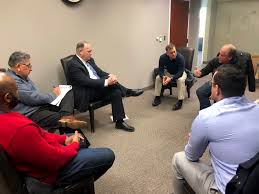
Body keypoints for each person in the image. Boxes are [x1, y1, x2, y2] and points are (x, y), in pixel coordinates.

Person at [0, 72, 115, 191]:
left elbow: (42, 134)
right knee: (107, 154)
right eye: (16, 90)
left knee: (80, 140)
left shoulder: (11, 117)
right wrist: (74, 145)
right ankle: (69, 185)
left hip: (38, 158)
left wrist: (63, 139)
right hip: (46, 175)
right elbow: (54, 160)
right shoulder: (20, 128)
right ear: (8, 97)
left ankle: (81, 180)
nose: (18, 93)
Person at [171, 65, 259, 194]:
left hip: (231, 189)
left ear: (216, 89)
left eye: (211, 83)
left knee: (178, 158)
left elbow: (191, 155)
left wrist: (198, 137)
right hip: (253, 184)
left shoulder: (206, 116)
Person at [66, 41, 142, 132]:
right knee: (113, 86)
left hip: (96, 87)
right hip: (85, 92)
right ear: (81, 51)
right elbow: (87, 82)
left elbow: (100, 72)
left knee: (116, 92)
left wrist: (110, 76)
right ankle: (127, 92)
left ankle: (119, 122)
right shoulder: (73, 65)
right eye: (89, 51)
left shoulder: (90, 60)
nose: (91, 53)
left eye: (91, 51)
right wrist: (106, 82)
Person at [7, 51, 86, 132]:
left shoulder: (20, 75)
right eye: (28, 65)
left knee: (67, 90)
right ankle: (68, 122)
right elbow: (32, 98)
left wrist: (57, 94)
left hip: (39, 106)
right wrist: (55, 95)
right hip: (31, 113)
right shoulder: (11, 80)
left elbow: (36, 93)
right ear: (18, 66)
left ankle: (66, 117)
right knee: (61, 119)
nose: (31, 68)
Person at [194, 44, 255, 110]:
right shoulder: (216, 60)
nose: (219, 57)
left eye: (222, 55)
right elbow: (204, 71)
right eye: (219, 54)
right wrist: (198, 73)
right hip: (218, 81)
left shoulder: (240, 63)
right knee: (201, 92)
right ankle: (207, 111)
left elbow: (250, 73)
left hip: (232, 84)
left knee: (223, 98)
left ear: (230, 57)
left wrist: (252, 88)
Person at [152, 43, 187, 110]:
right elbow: (160, 70)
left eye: (174, 51)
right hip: (169, 72)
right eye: (171, 53)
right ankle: (157, 97)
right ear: (167, 53)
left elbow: (180, 72)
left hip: (180, 73)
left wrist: (171, 79)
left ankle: (180, 101)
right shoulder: (162, 57)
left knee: (180, 80)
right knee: (158, 78)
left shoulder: (180, 58)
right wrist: (163, 77)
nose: (174, 54)